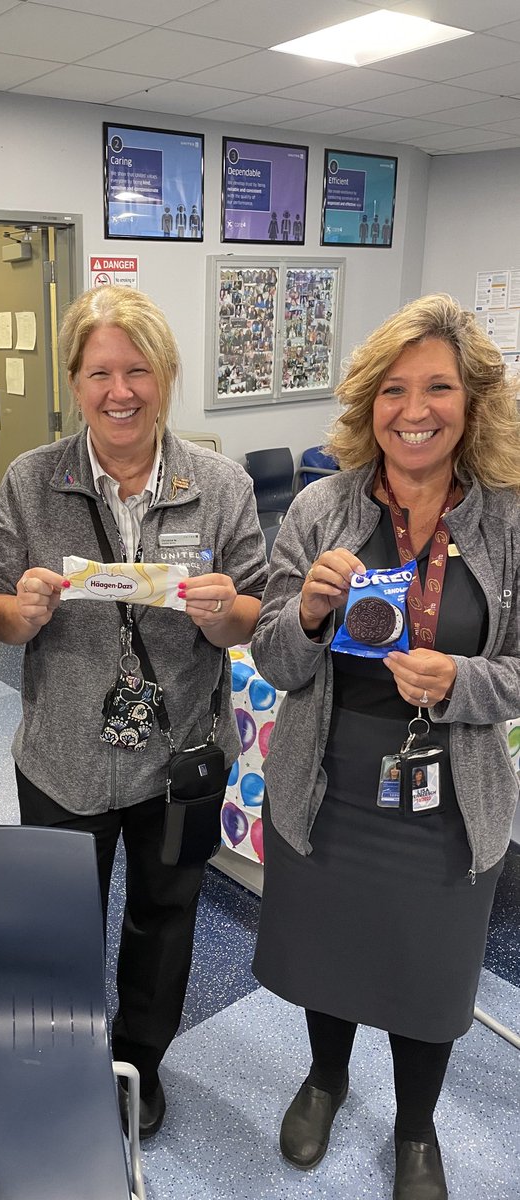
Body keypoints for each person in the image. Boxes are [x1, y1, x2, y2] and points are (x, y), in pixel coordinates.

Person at [0, 285, 267, 1139]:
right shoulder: (33, 482)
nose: (120, 391)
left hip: (179, 758)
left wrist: (226, 615)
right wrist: (16, 614)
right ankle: (65, 1060)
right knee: (61, 923)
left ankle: (140, 1058)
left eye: (138, 370)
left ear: (167, 376)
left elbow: (258, 609)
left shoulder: (219, 486)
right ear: (75, 382)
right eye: (100, 372)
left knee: (164, 918)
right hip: (61, 757)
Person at [250, 294, 520, 1199]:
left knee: (428, 972)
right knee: (328, 955)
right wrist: (312, 614)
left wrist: (463, 682)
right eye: (395, 390)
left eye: (438, 387)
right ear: (370, 404)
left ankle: (415, 1130)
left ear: (472, 402)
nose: (415, 409)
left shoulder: (509, 521)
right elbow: (274, 660)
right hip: (327, 780)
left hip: (449, 794)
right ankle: (325, 1080)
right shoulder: (321, 507)